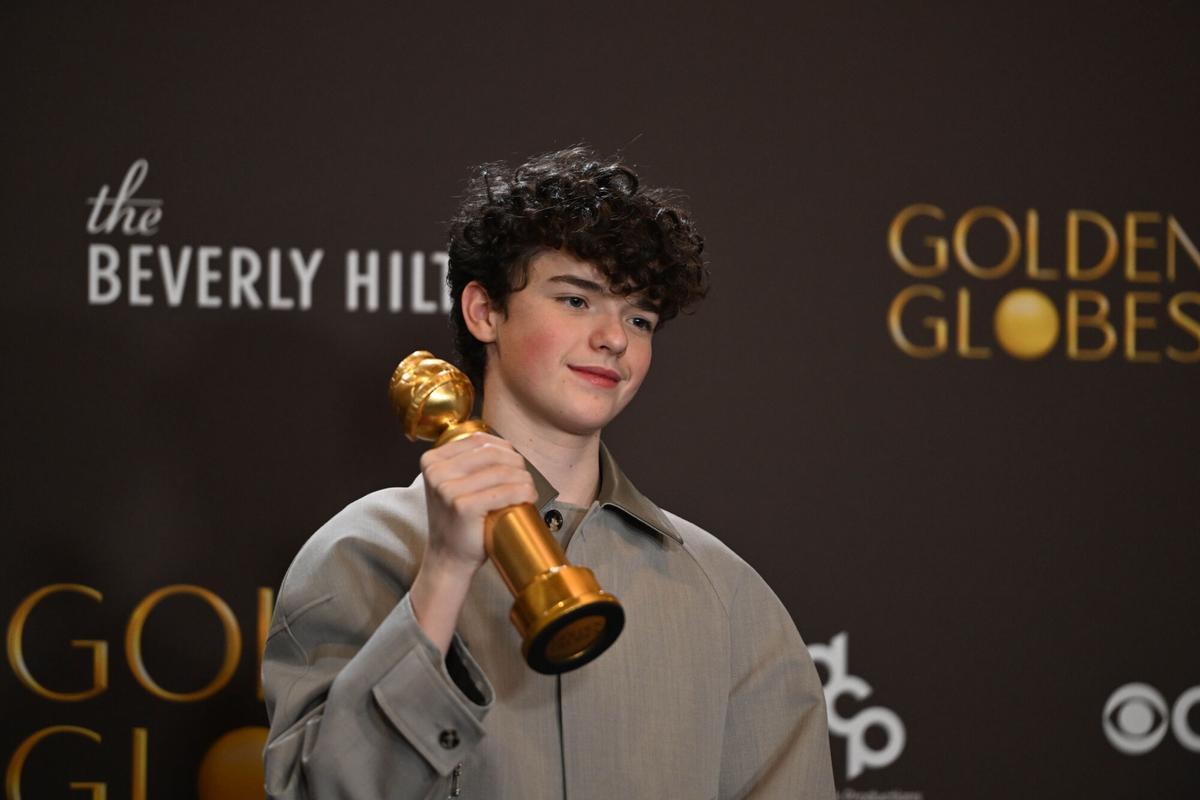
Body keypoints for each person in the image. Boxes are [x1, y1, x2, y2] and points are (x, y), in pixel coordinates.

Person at [262, 146, 836, 799]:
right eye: (576, 300)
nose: (615, 338)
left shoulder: (728, 594)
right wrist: (445, 574)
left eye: (639, 317)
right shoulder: (360, 551)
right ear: (484, 312)